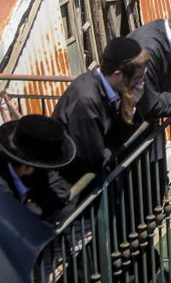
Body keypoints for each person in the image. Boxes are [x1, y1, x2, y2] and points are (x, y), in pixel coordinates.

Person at [52, 36, 149, 184]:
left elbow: (114, 138)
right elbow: (95, 159)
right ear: (118, 75)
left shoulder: (111, 87)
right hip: (75, 188)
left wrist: (130, 106)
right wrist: (115, 150)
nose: (141, 83)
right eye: (138, 77)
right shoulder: (86, 101)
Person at [0, 114, 75, 220]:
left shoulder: (30, 171)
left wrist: (41, 206)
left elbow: (60, 187)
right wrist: (28, 214)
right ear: (26, 168)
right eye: (49, 169)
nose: (51, 172)